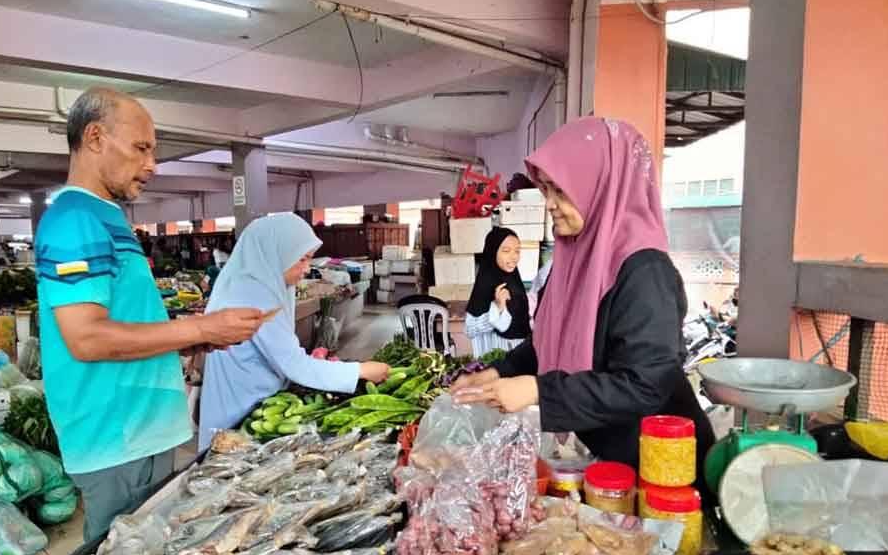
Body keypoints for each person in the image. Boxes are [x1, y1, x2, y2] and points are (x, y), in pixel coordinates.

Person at [33, 87, 266, 555]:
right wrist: (198, 330)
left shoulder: (107, 220)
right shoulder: (73, 220)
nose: (151, 164)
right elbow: (86, 337)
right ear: (94, 137)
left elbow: (127, 325)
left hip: (146, 430)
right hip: (118, 438)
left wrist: (184, 352)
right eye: (140, 148)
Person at [452, 117, 715, 480]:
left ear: (601, 186)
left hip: (660, 470)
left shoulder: (644, 270)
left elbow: (646, 382)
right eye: (546, 190)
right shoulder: (577, 258)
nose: (550, 204)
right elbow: (550, 339)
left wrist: (539, 391)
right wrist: (499, 371)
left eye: (561, 191)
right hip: (607, 458)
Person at [198, 213, 391, 450]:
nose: (306, 268)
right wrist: (359, 371)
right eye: (301, 259)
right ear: (277, 253)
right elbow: (293, 363)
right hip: (244, 409)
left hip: (255, 399)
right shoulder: (253, 292)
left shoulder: (256, 280)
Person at [464, 227, 531, 358]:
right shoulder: (486, 283)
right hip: (493, 357)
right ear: (493, 251)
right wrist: (498, 308)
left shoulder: (514, 282)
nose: (514, 257)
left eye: (517, 251)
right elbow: (469, 329)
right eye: (506, 251)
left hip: (519, 356)